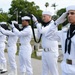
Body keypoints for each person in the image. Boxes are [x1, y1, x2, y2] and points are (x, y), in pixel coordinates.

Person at [45, 5, 75, 75]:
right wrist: (57, 22)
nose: (69, 16)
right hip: (65, 67)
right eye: (68, 14)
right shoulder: (64, 32)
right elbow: (48, 35)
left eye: (72, 13)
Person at [32, 11, 59, 75]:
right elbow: (38, 36)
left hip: (51, 52)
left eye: (44, 16)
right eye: (42, 16)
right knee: (44, 71)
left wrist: (36, 22)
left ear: (49, 17)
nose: (43, 18)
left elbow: (42, 31)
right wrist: (38, 27)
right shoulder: (44, 26)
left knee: (54, 71)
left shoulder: (53, 25)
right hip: (44, 52)